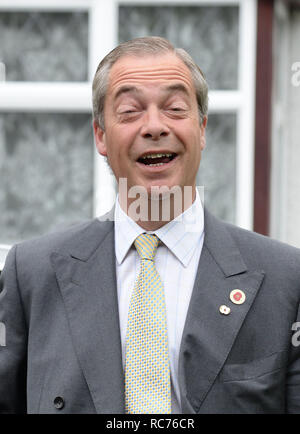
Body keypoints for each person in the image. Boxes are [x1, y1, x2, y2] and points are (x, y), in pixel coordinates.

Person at [1, 36, 300, 414]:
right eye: (129, 111)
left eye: (175, 108)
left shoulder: (286, 280)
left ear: (203, 128)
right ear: (101, 135)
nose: (155, 126)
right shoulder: (32, 274)